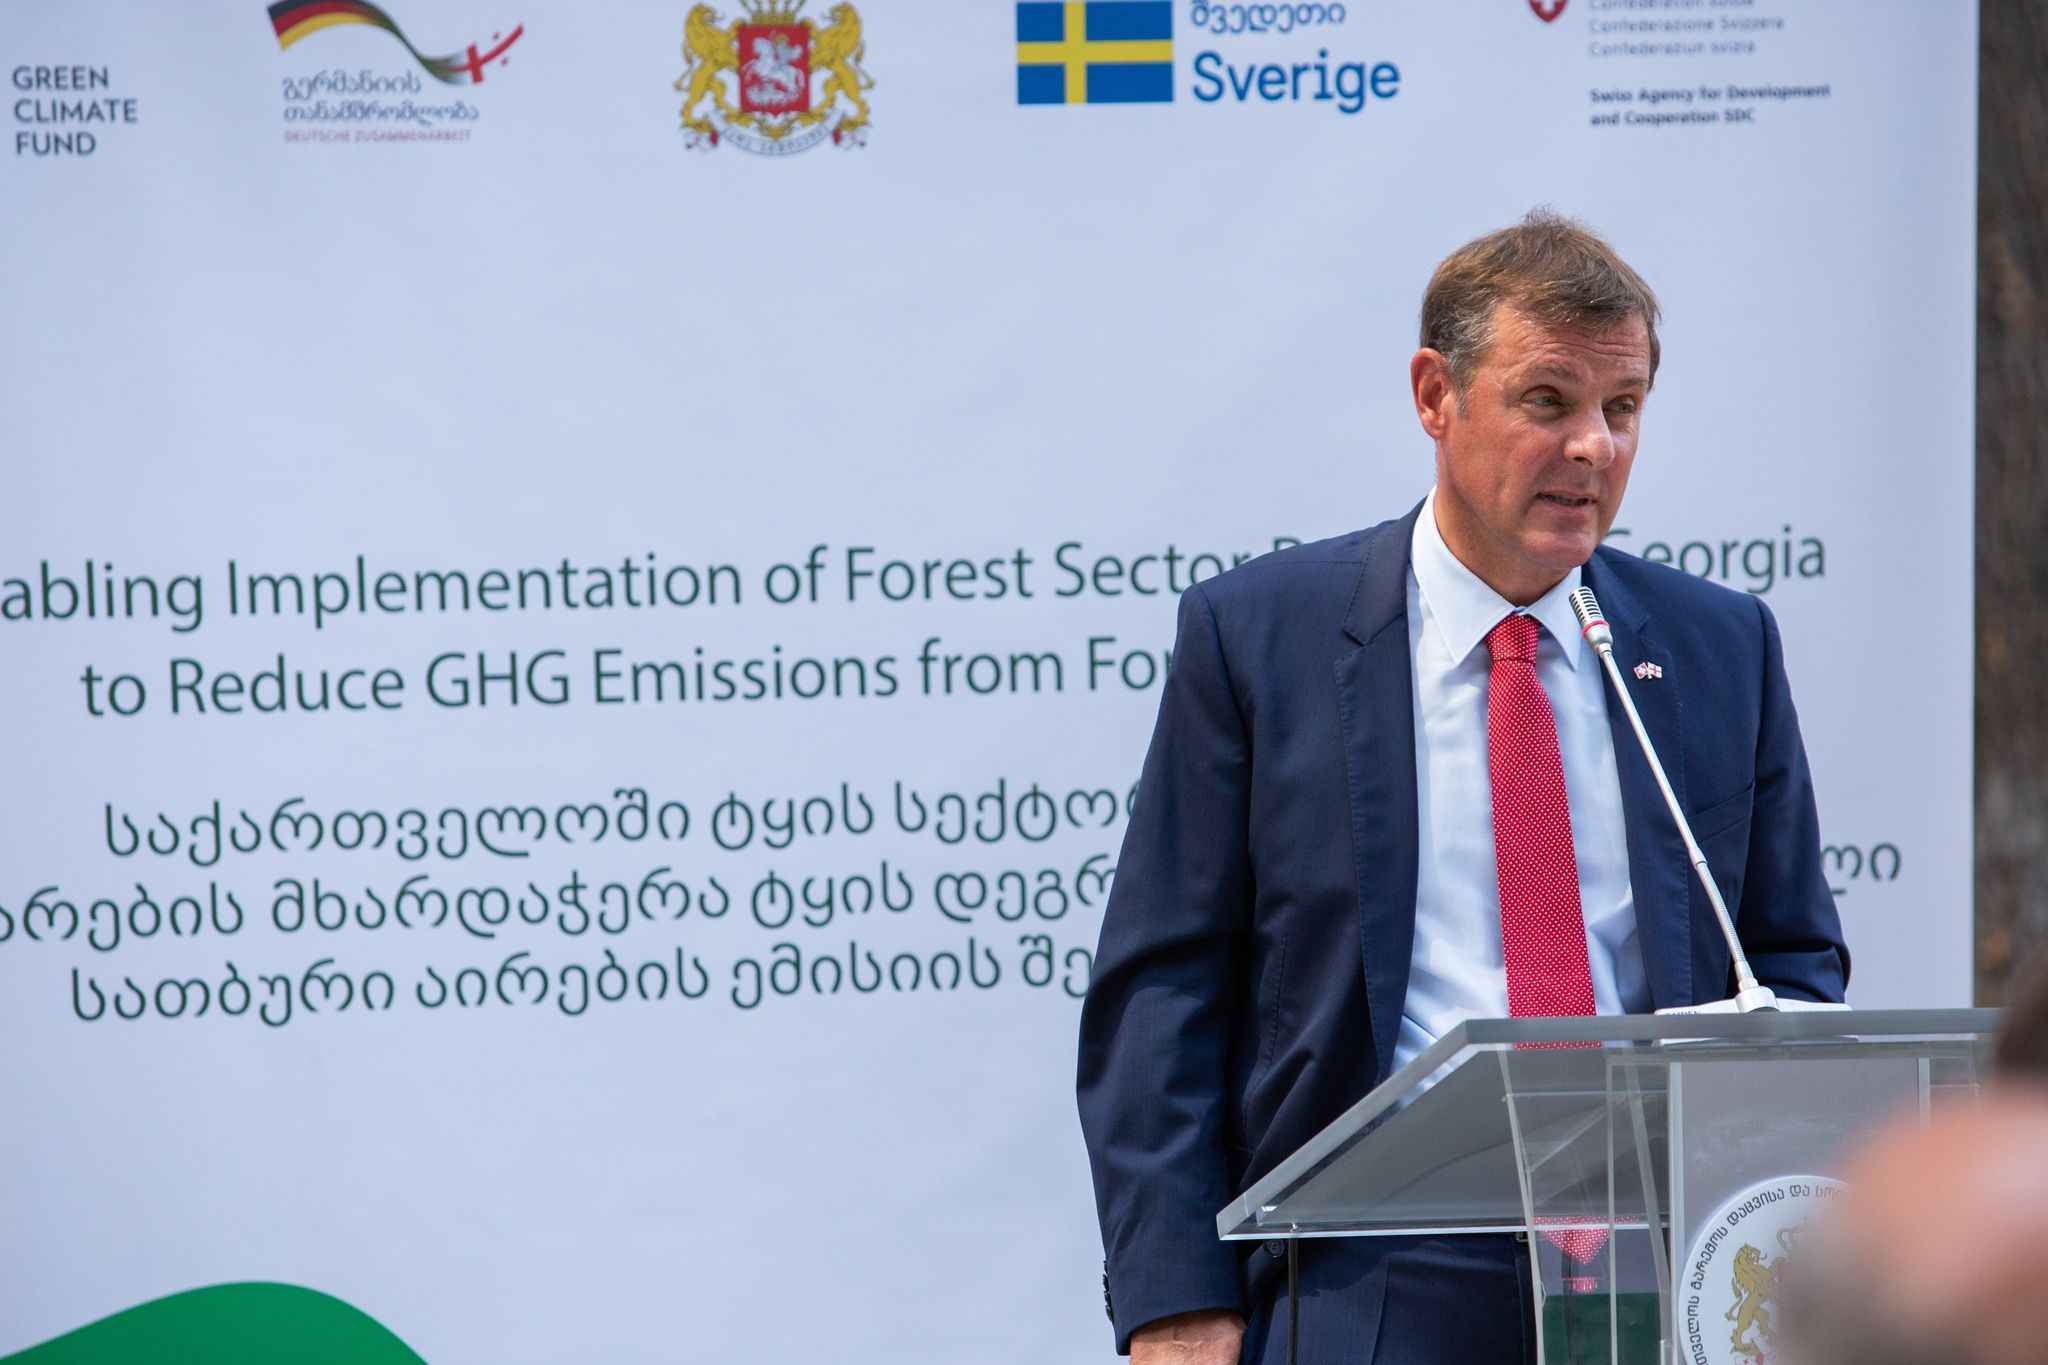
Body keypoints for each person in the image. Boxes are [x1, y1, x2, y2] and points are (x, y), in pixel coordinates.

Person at [1076, 210, 1850, 1364]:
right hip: (1370, 1260)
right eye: (1546, 400)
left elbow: (1785, 958)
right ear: (1434, 395)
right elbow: (1163, 989)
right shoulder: (1262, 637)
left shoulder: (1715, 647)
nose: (1592, 447)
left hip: (1654, 1254)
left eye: (1622, 407)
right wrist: (1175, 1300)